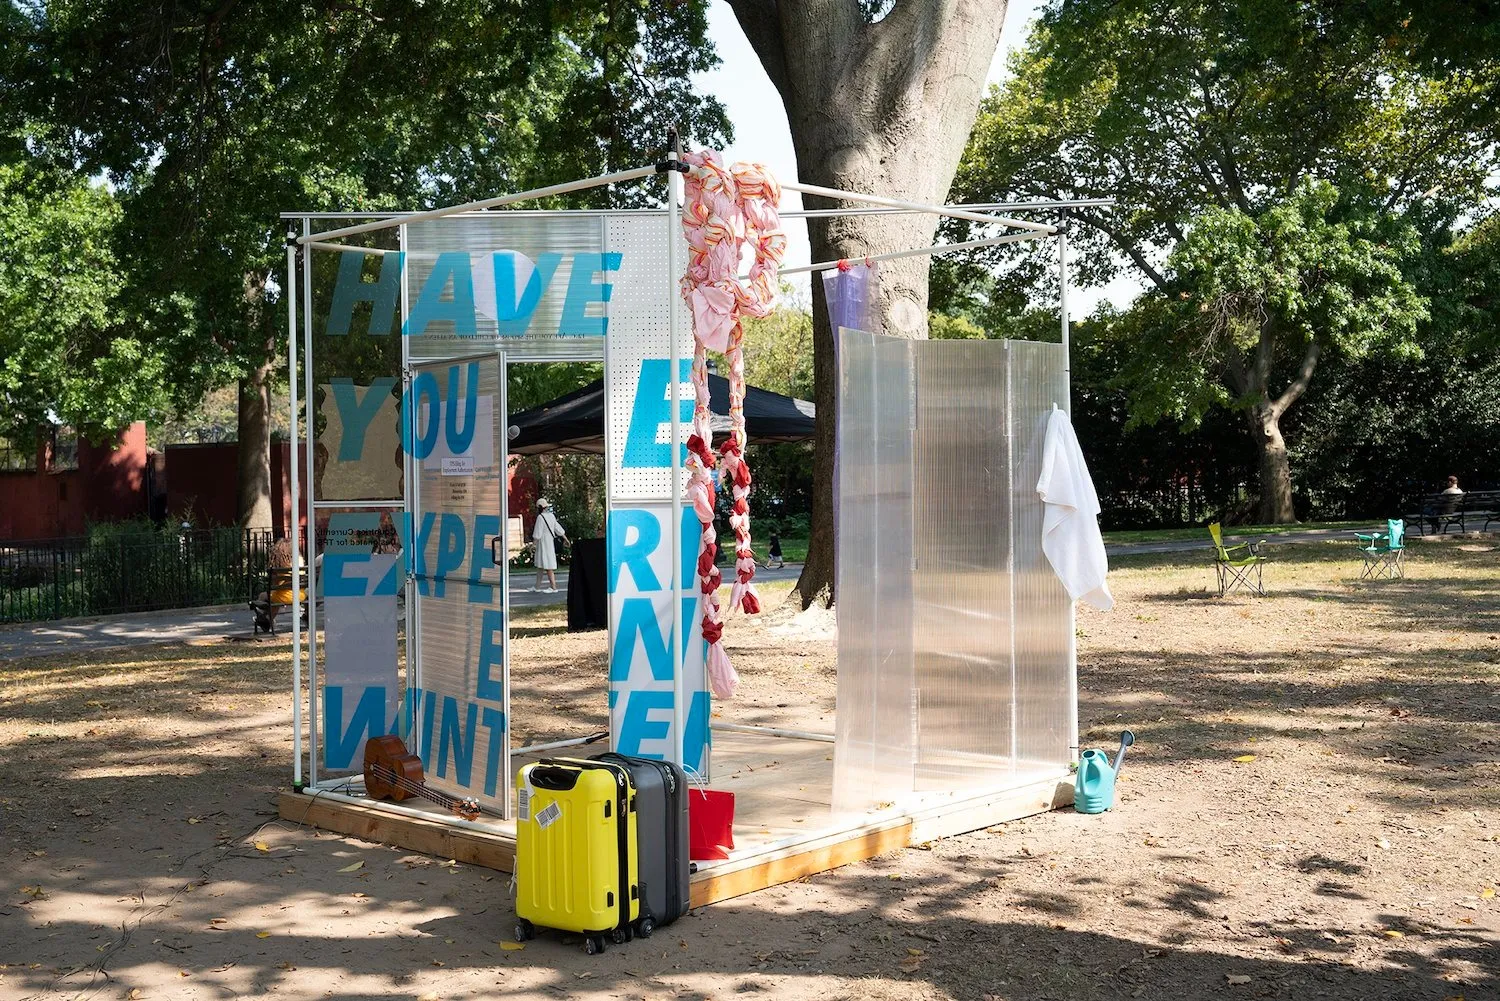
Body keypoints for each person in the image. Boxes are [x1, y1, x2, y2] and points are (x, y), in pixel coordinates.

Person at [532, 497, 568, 593]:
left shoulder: (540, 517)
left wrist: (534, 544)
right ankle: (537, 587)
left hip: (543, 543)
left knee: (547, 565)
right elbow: (558, 529)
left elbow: (537, 533)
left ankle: (553, 587)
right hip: (549, 542)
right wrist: (565, 538)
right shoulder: (551, 516)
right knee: (541, 565)